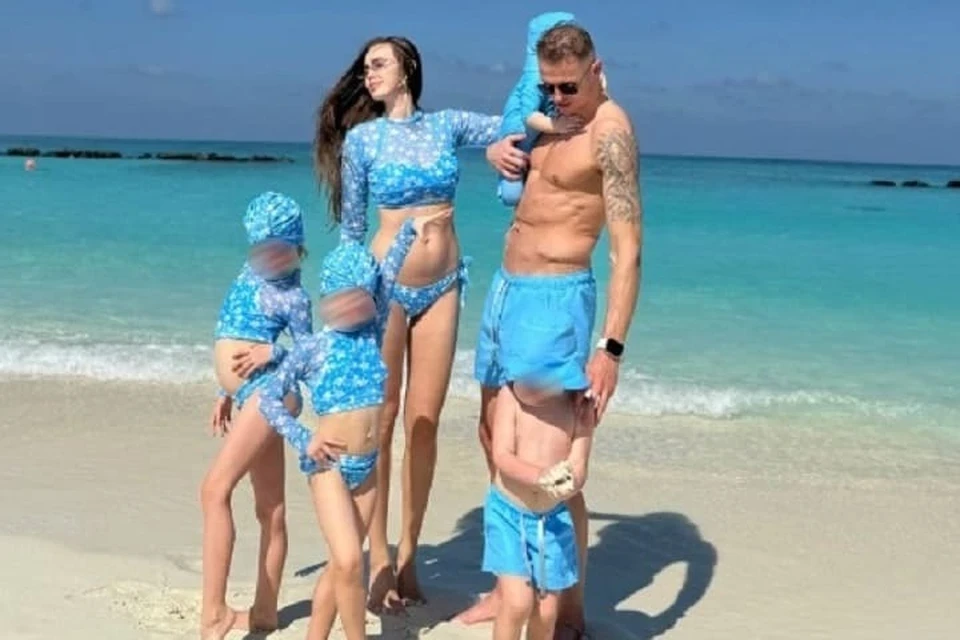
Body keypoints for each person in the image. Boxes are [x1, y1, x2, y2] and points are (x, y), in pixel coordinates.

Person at [462, 22, 644, 640]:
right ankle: (509, 586)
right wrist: (496, 151)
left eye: (569, 86)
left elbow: (627, 250)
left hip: (555, 301)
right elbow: (520, 163)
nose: (559, 98)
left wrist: (610, 348)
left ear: (598, 70)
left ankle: (567, 607)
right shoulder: (550, 113)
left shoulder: (610, 131)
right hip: (505, 291)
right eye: (550, 87)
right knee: (493, 434)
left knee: (553, 457)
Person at [313, 35, 504, 611]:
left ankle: (411, 555)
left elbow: (511, 123)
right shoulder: (362, 140)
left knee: (425, 421)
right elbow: (352, 231)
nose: (368, 74)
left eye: (379, 65)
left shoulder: (446, 125)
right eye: (365, 68)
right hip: (384, 287)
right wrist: (342, 302)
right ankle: (378, 559)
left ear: (407, 69)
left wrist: (555, 106)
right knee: (384, 418)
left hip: (445, 285)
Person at [257, 211, 450, 640]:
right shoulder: (313, 348)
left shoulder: (374, 332)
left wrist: (408, 231)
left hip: (367, 471)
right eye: (343, 298)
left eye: (360, 297)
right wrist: (303, 437)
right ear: (328, 298)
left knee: (339, 566)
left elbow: (389, 273)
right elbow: (270, 399)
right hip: (329, 466)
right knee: (348, 562)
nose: (353, 306)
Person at [200, 191, 313, 640]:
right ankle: (265, 613)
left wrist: (274, 351)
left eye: (278, 250)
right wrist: (224, 390)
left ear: (296, 247)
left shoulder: (294, 297)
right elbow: (233, 328)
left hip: (271, 393)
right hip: (249, 394)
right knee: (270, 508)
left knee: (213, 490)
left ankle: (214, 614)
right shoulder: (248, 274)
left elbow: (312, 354)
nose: (269, 257)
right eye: (261, 248)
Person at [484, 368, 596, 639]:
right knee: (517, 603)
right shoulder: (510, 395)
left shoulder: (578, 405)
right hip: (508, 516)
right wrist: (540, 477)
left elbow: (579, 464)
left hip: (552, 521)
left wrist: (570, 481)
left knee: (546, 613)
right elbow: (502, 455)